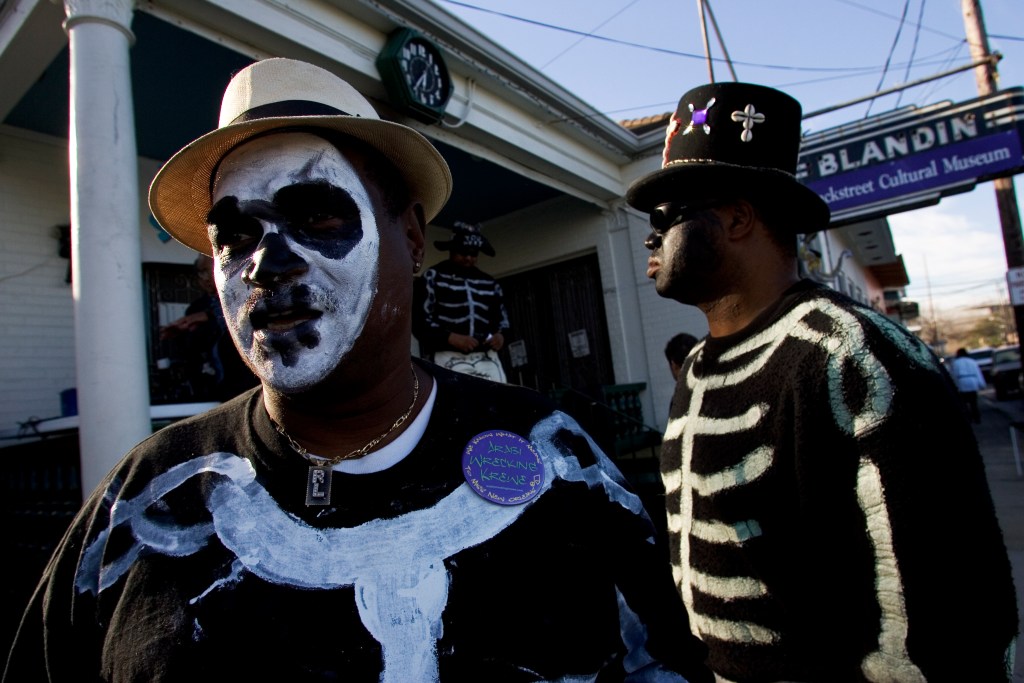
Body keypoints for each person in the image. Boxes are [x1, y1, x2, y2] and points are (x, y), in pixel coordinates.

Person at [3, 58, 713, 683]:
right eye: (235, 235)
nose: (266, 263)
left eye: (315, 216)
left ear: (409, 238)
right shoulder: (146, 504)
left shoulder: (557, 459)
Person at [625, 81, 1018, 682]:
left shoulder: (853, 357)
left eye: (666, 217)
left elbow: (953, 620)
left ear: (736, 218)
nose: (650, 238)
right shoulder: (698, 367)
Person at [413, 221, 510, 382]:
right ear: (451, 250)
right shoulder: (433, 277)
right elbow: (419, 320)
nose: (468, 258)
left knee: (499, 402)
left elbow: (503, 320)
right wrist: (449, 337)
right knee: (455, 404)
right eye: (463, 253)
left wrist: (501, 336)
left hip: (487, 356)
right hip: (448, 356)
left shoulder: (489, 283)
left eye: (473, 254)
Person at [159, 253, 258, 401]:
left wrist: (210, 316)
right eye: (200, 273)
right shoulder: (197, 308)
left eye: (207, 271)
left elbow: (244, 321)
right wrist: (182, 334)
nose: (205, 278)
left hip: (248, 383)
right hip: (216, 386)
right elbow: (192, 349)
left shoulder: (244, 296)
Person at [949, 347, 987, 424]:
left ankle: (969, 418)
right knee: (974, 403)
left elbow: (954, 375)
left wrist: (954, 386)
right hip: (972, 382)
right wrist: (982, 384)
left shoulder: (956, 363)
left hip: (962, 382)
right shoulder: (972, 361)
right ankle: (977, 418)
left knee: (964, 403)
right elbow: (978, 373)